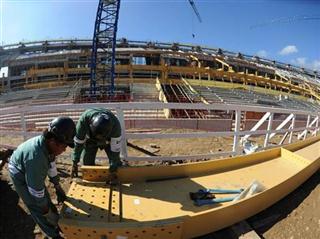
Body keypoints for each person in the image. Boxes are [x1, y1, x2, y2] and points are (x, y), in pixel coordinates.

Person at [8, 116, 76, 239]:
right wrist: (45, 210)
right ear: (52, 141)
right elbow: (35, 190)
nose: (65, 149)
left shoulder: (48, 146)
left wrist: (57, 185)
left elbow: (51, 165)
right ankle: (53, 234)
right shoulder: (36, 158)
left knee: (45, 199)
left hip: (28, 166)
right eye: (64, 146)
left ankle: (56, 222)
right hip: (19, 172)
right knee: (37, 207)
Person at [71, 108, 122, 178]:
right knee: (87, 164)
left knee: (116, 164)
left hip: (108, 140)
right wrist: (75, 162)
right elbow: (78, 144)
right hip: (91, 139)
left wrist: (114, 169)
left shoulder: (116, 127)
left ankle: (117, 173)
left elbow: (115, 151)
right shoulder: (83, 121)